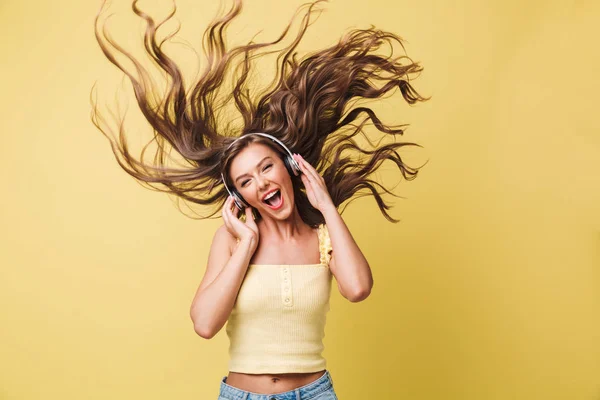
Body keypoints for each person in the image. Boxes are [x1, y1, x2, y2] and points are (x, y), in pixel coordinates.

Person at [92, 0, 429, 398]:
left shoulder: (323, 238)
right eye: (246, 180)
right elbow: (204, 324)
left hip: (315, 393)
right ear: (241, 195)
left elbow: (357, 288)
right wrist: (247, 244)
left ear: (289, 167)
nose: (261, 183)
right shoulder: (232, 241)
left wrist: (326, 207)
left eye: (267, 168)